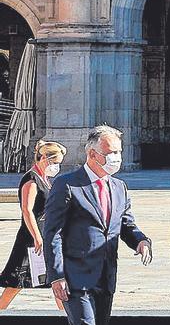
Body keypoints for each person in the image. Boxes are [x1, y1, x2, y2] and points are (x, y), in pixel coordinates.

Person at [43, 125, 153, 325]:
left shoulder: (119, 187)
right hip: (75, 277)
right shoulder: (67, 184)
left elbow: (126, 224)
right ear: (93, 154)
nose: (117, 157)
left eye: (119, 151)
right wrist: (56, 275)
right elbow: (53, 233)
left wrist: (141, 241)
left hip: (106, 275)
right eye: (111, 153)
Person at [0, 139, 66, 304]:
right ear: (44, 158)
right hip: (31, 239)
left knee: (57, 280)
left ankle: (68, 316)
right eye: (56, 162)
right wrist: (37, 237)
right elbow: (27, 210)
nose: (57, 167)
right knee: (16, 283)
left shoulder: (44, 178)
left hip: (45, 236)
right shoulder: (31, 180)